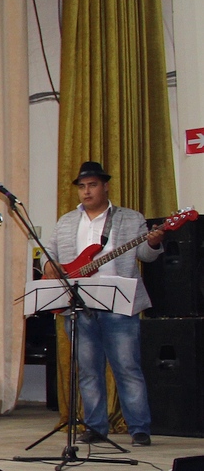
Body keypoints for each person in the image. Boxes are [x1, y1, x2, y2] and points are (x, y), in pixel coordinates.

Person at [48, 161, 164, 448]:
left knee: (127, 368)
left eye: (92, 185)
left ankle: (139, 429)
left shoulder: (130, 218)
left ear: (105, 186)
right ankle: (95, 427)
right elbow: (50, 253)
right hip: (78, 305)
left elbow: (146, 256)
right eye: (82, 186)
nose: (86, 191)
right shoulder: (66, 222)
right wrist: (49, 265)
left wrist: (153, 242)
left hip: (119, 305)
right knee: (88, 371)